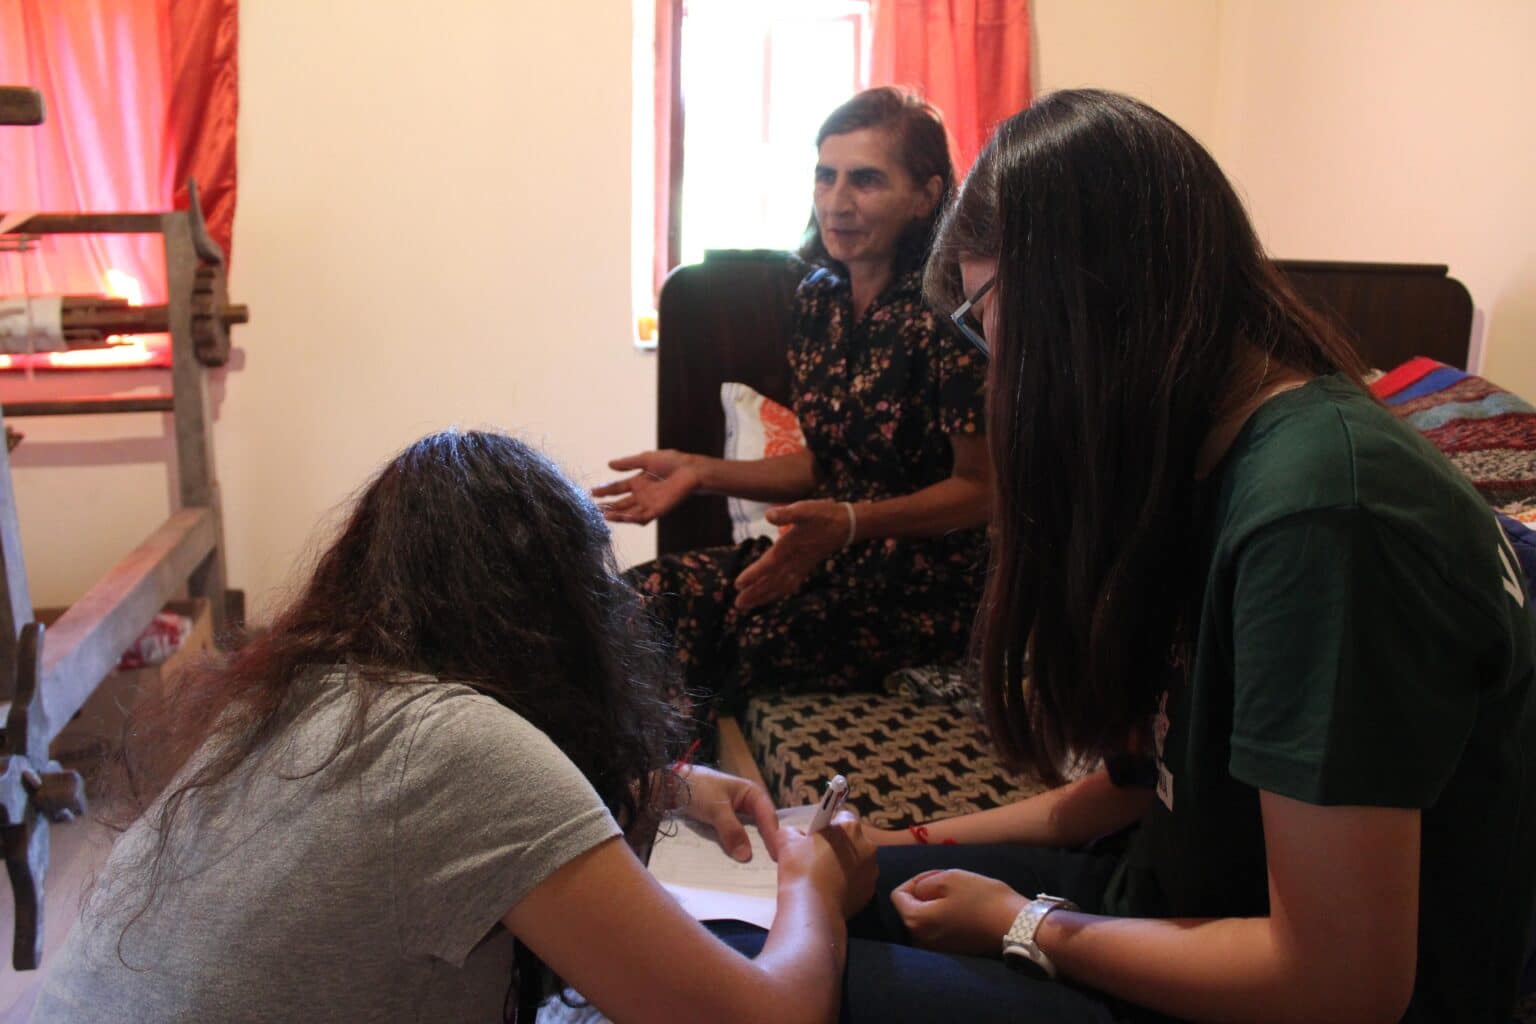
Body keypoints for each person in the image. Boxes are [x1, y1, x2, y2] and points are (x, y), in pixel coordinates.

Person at [722, 90, 1536, 1023]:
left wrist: (1025, 925)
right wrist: (897, 838)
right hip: (1170, 896)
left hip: (1266, 985)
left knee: (762, 982)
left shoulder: (1323, 515)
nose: (996, 368)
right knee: (808, 907)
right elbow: (1128, 791)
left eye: (988, 318)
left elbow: (1340, 983)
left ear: (1086, 295)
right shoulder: (1209, 454)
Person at [32, 430, 876, 1024]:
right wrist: (814, 887)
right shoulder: (464, 751)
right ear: (561, 621)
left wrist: (667, 786)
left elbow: (397, 834)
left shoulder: (288, 696)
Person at [596, 87, 990, 729]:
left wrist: (851, 523)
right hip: (824, 557)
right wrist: (699, 471)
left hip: (923, 593)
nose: (837, 201)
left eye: (865, 180)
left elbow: (982, 491)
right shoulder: (818, 300)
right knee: (625, 604)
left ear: (925, 196)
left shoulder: (952, 314)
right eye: (825, 176)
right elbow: (825, 464)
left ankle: (667, 782)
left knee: (705, 644)